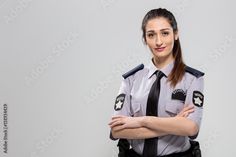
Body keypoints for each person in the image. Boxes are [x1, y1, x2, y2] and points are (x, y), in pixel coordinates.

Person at [109, 8, 204, 157]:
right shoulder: (130, 79)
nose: (158, 41)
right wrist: (175, 123)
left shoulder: (192, 79)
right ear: (145, 39)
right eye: (151, 35)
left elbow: (191, 129)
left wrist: (141, 121)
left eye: (165, 33)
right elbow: (117, 130)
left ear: (176, 34)